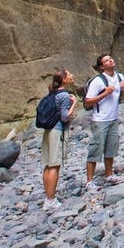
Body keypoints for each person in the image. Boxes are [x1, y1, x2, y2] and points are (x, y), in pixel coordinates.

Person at [84, 53, 124, 190]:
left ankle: (109, 175)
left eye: (110, 58)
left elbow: (121, 97)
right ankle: (89, 181)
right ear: (102, 67)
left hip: (113, 118)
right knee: (96, 149)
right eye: (107, 60)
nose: (110, 60)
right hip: (100, 120)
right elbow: (88, 101)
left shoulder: (120, 77)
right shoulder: (98, 81)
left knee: (111, 148)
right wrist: (105, 93)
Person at [41, 69, 77, 210]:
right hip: (57, 131)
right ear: (64, 80)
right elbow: (65, 117)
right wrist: (73, 104)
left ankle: (48, 198)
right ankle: (51, 200)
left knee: (48, 164)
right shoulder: (65, 95)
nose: (72, 76)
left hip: (48, 130)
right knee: (55, 165)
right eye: (69, 75)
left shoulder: (53, 93)